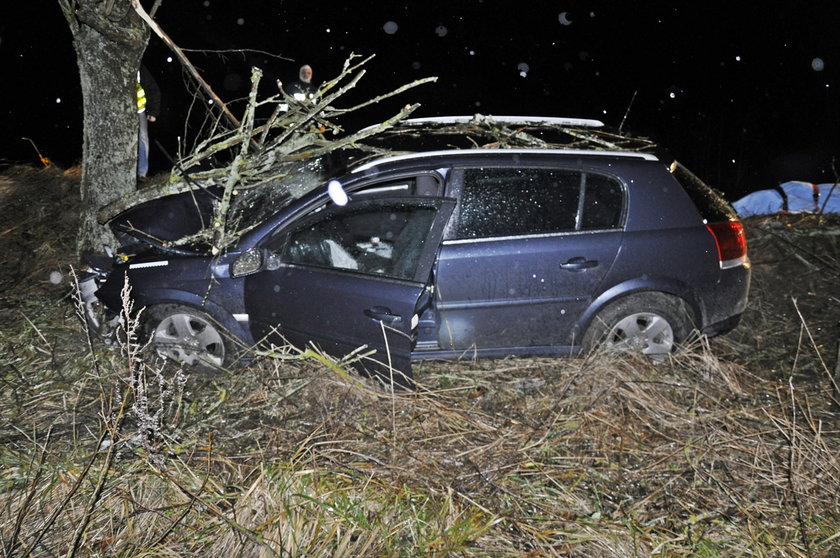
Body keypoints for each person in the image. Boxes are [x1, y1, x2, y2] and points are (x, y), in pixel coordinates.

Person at [137, 64, 161, 180]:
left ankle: (141, 173)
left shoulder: (140, 68)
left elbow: (152, 88)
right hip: (118, 113)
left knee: (142, 139)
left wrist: (153, 111)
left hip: (139, 111)